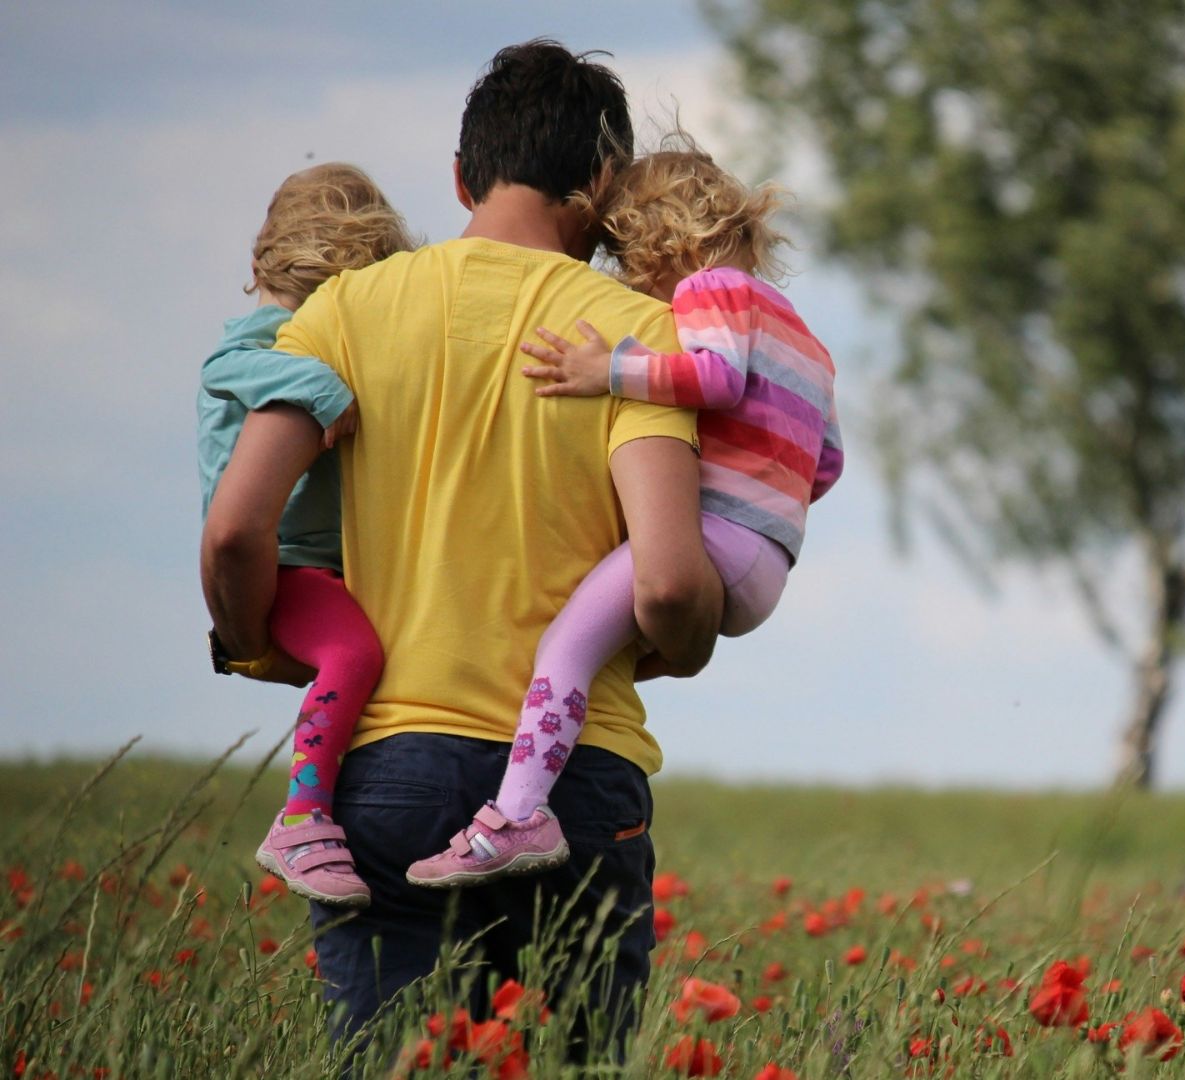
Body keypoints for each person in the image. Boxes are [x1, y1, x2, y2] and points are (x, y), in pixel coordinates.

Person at [200, 39, 722, 1038]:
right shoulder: (634, 336)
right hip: (575, 779)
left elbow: (233, 530)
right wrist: (685, 645)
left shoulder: (341, 313)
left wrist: (260, 641)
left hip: (387, 767)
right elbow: (665, 584)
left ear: (459, 176)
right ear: (603, 184)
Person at [407, 142, 844, 887]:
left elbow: (714, 377)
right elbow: (826, 463)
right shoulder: (805, 337)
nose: (630, 280)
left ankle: (517, 815)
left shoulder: (711, 291)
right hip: (769, 560)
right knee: (604, 649)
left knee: (565, 649)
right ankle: (540, 778)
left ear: (661, 241)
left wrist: (605, 370)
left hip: (715, 538)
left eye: (627, 257)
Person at [197, 163, 414, 907]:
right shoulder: (267, 337)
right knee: (354, 652)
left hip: (322, 566)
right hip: (286, 564)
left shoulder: (300, 331)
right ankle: (303, 816)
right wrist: (323, 388)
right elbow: (227, 365)